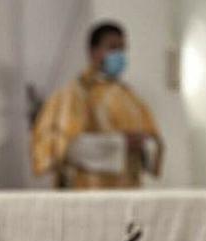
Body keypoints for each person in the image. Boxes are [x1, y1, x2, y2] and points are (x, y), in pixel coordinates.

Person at [31, 21, 162, 189]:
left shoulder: (130, 97)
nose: (120, 55)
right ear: (93, 51)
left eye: (122, 49)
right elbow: (64, 148)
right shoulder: (74, 94)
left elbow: (152, 144)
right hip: (89, 191)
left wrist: (145, 145)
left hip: (128, 191)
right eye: (113, 48)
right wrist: (120, 144)